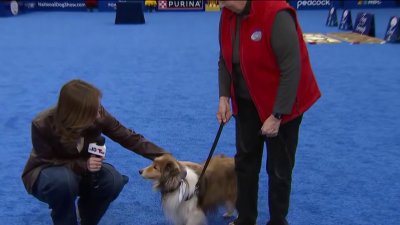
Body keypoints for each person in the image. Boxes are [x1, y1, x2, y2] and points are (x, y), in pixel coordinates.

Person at [216, 1, 321, 225]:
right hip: (246, 102)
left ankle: (278, 220)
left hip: (284, 101)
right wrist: (224, 96)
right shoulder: (227, 14)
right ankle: (245, 218)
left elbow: (292, 70)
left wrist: (277, 115)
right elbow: (224, 58)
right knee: (245, 162)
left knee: (279, 168)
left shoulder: (276, 13)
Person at [21, 79, 168, 225]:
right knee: (64, 182)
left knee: (113, 181)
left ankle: (87, 220)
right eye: (95, 110)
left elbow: (129, 137)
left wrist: (165, 157)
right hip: (47, 172)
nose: (100, 113)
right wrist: (84, 165)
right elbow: (48, 160)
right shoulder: (42, 123)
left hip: (83, 170)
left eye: (99, 107)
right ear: (77, 114)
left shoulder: (98, 113)